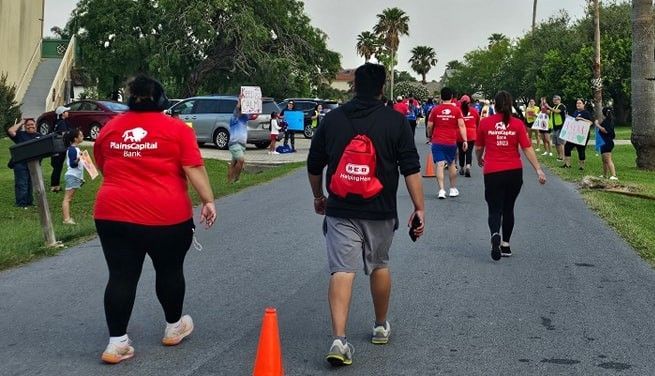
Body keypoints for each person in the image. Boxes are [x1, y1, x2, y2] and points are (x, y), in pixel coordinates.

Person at [307, 63, 425, 367]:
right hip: (380, 209)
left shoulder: (332, 120)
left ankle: (339, 340)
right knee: (379, 265)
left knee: (342, 270)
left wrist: (319, 196)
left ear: (354, 86)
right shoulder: (396, 122)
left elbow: (313, 163)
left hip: (341, 209)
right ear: (382, 88)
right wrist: (419, 207)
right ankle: (380, 326)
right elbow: (410, 167)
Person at [93, 75, 216, 364]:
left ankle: (117, 343)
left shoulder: (110, 128)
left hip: (113, 213)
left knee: (121, 276)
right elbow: (193, 167)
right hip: (166, 216)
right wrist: (208, 200)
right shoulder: (177, 129)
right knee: (170, 270)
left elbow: (102, 165)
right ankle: (174, 327)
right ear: (161, 99)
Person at [476, 91, 546, 261]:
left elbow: (478, 147)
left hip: (493, 172)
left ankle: (495, 234)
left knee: (494, 208)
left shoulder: (485, 123)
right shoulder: (517, 124)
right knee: (508, 208)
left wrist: (480, 160)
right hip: (514, 172)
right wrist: (538, 169)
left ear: (495, 105)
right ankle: (505, 245)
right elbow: (527, 148)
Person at [427, 87, 468, 199]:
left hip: (437, 140)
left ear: (441, 97)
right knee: (451, 164)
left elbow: (430, 126)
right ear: (452, 97)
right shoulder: (456, 110)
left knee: (439, 164)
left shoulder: (435, 110)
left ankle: (441, 190)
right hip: (451, 141)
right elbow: (461, 125)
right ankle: (453, 189)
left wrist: (430, 136)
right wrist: (465, 140)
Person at [6, 118, 40, 208]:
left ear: (35, 125)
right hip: (20, 164)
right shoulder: (20, 135)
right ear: (25, 126)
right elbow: (10, 130)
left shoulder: (39, 136)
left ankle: (29, 202)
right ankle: (21, 203)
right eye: (28, 125)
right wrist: (21, 122)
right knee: (22, 183)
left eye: (32, 124)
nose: (30, 126)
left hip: (33, 164)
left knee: (30, 183)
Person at [562, 98, 592, 170]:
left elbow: (590, 123)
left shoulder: (586, 113)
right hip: (573, 134)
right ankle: (567, 164)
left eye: (579, 103)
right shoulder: (575, 112)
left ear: (583, 104)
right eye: (577, 103)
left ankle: (582, 167)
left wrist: (582, 119)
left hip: (582, 135)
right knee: (567, 147)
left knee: (581, 149)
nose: (578, 104)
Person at [62, 129, 84, 225]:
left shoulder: (76, 149)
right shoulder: (72, 149)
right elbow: (73, 164)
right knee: (67, 198)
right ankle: (66, 219)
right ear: (75, 138)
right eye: (81, 135)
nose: (82, 136)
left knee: (69, 198)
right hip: (72, 175)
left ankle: (67, 218)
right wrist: (79, 158)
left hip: (75, 176)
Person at [50, 105, 73, 192]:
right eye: (66, 111)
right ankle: (54, 186)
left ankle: (55, 185)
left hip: (54, 148)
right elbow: (64, 135)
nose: (68, 112)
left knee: (56, 166)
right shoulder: (62, 123)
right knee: (58, 167)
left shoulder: (56, 122)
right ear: (62, 114)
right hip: (60, 148)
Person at [457, 95, 480, 177]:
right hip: (471, 135)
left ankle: (462, 168)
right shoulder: (474, 111)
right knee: (469, 151)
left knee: (461, 152)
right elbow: (478, 123)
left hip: (460, 135)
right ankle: (468, 167)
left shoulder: (458, 111)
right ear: (469, 103)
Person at [228, 96, 249, 183]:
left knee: (234, 163)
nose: (243, 112)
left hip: (242, 144)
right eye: (242, 110)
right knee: (241, 160)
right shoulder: (234, 119)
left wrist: (258, 103)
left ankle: (229, 180)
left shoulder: (244, 119)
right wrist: (240, 100)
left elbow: (255, 113)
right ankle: (236, 179)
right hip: (234, 143)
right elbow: (237, 109)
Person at [595, 107, 618, 180]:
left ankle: (614, 175)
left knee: (608, 159)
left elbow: (605, 130)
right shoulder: (608, 120)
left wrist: (597, 125)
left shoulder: (607, 121)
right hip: (604, 142)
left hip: (607, 142)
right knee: (604, 160)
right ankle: (605, 175)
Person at [546, 95, 567, 160]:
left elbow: (557, 111)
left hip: (561, 126)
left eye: (556, 100)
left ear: (559, 100)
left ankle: (563, 157)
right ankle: (559, 156)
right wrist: (546, 109)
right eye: (553, 100)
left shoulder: (561, 106)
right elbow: (550, 113)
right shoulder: (554, 107)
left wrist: (549, 107)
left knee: (561, 143)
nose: (554, 101)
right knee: (556, 143)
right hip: (554, 127)